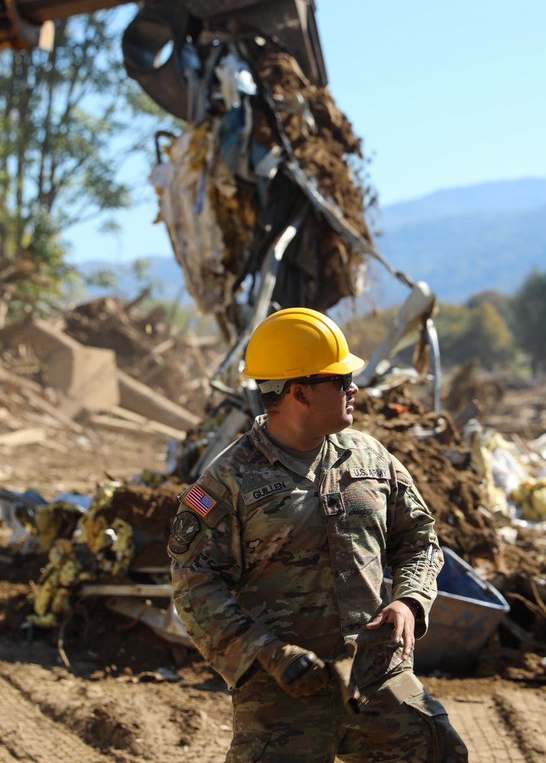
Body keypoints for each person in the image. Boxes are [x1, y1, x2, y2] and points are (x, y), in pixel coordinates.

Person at [169, 307, 468, 762]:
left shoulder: (371, 458)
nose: (355, 389)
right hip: (284, 692)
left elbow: (420, 538)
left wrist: (409, 600)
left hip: (376, 674)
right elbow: (195, 586)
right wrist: (268, 654)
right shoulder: (227, 481)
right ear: (300, 392)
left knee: (439, 752)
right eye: (341, 381)